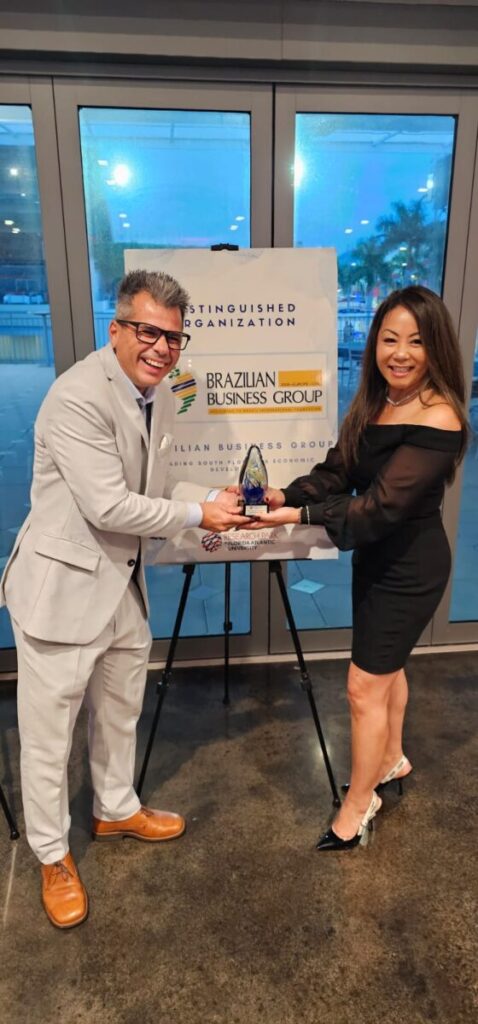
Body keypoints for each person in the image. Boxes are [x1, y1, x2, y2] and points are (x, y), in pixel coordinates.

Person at [0, 269, 248, 927]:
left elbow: (152, 488)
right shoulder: (77, 396)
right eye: (148, 331)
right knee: (48, 738)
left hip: (121, 588)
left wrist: (213, 498)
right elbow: (109, 505)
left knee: (119, 711)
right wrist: (198, 516)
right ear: (117, 329)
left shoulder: (155, 393)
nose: (162, 347)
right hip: (61, 593)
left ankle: (114, 809)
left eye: (173, 337)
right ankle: (52, 855)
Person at [245, 285, 468, 851]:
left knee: (363, 685)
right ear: (374, 344)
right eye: (389, 339)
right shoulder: (377, 402)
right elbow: (338, 471)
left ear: (435, 347)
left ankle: (359, 801)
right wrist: (282, 495)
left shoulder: (440, 416)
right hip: (377, 558)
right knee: (386, 671)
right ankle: (390, 759)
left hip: (412, 568)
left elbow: (380, 507)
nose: (400, 353)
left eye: (415, 341)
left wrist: (302, 515)